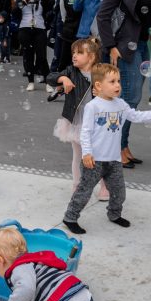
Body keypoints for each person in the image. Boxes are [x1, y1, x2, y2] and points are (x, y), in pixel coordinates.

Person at [62, 63, 151, 234]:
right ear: (98, 85)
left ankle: (114, 214)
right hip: (94, 160)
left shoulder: (120, 104)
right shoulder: (93, 106)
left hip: (113, 160)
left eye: (119, 81)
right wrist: (86, 153)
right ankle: (70, 217)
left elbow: (136, 116)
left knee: (119, 192)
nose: (117, 85)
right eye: (112, 81)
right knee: (84, 191)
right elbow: (85, 132)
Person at [96, 0, 151, 168]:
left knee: (133, 99)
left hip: (141, 46)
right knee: (127, 100)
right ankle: (116, 148)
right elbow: (102, 16)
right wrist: (111, 46)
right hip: (124, 49)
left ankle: (124, 146)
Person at [51, 38, 105, 197]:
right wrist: (63, 79)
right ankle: (77, 186)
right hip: (77, 121)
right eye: (73, 52)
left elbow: (115, 88)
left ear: (92, 57)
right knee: (78, 156)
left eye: (80, 53)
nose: (74, 55)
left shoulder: (101, 72)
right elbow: (51, 76)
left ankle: (105, 186)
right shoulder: (71, 71)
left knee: (101, 157)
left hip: (97, 122)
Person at [19, 0, 53, 92]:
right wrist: (24, 1)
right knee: (28, 55)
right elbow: (14, 11)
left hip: (40, 28)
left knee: (41, 55)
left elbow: (50, 7)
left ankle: (47, 81)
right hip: (25, 28)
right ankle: (30, 81)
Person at [49, 0, 79, 74]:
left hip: (65, 15)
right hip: (66, 13)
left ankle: (55, 74)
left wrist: (55, 9)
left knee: (60, 46)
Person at [30, 0, 57, 92]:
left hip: (42, 23)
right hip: (28, 25)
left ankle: (45, 77)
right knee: (29, 52)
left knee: (41, 52)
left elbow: (52, 3)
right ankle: (33, 77)